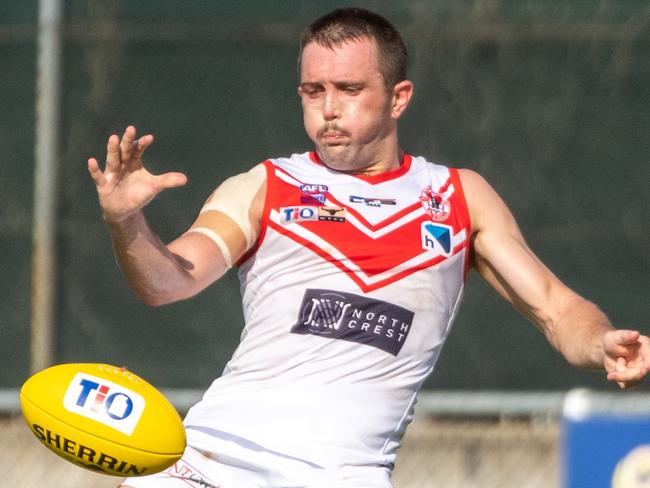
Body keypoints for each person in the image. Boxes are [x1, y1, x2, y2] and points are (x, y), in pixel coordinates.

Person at [87, 7, 649, 488]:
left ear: (398, 97)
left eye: (350, 90)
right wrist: (127, 220)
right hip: (210, 462)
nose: (329, 108)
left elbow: (555, 308)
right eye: (314, 91)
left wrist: (600, 341)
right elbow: (167, 282)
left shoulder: (459, 197)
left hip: (343, 474)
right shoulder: (264, 185)